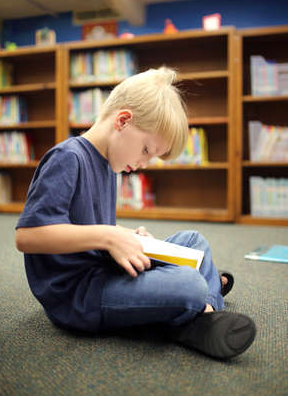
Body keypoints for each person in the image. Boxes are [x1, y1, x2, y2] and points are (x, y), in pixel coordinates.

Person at [15, 67, 256, 360]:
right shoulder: (68, 157)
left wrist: (127, 239)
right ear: (123, 120)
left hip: (103, 270)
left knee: (194, 242)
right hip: (79, 296)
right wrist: (110, 236)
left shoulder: (108, 165)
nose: (143, 162)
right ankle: (201, 308)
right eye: (145, 150)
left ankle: (196, 310)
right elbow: (28, 237)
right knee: (189, 283)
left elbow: (88, 232)